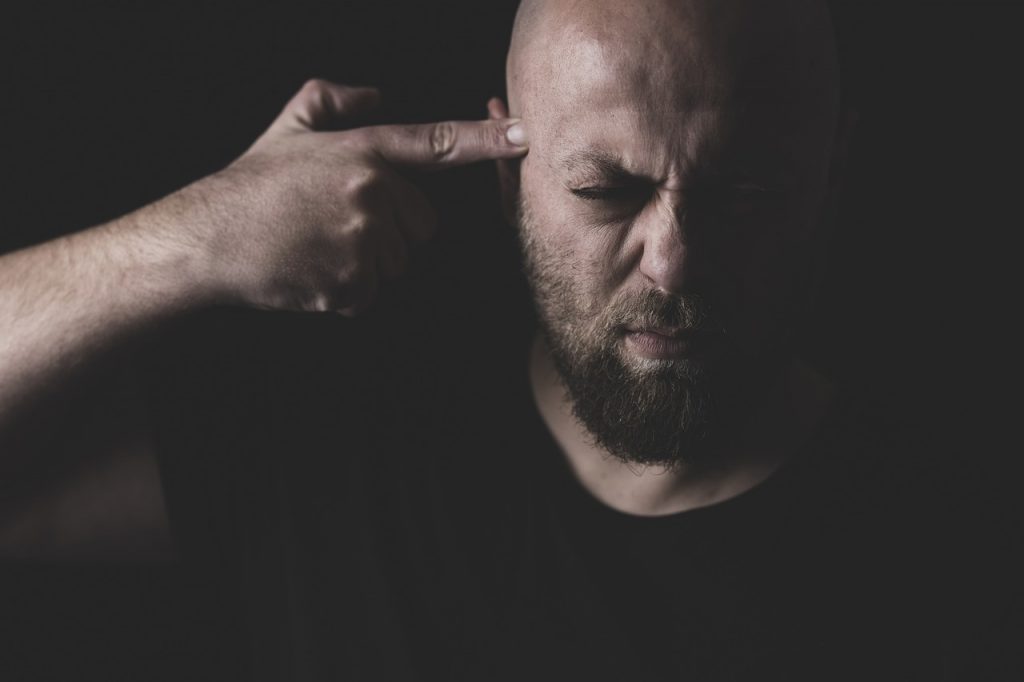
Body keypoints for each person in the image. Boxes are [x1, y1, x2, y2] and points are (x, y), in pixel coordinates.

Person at [0, 0, 1014, 680]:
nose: (673, 263)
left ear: (831, 179)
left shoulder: (958, 559)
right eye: (602, 190)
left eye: (747, 195)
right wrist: (190, 239)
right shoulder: (328, 431)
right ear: (505, 168)